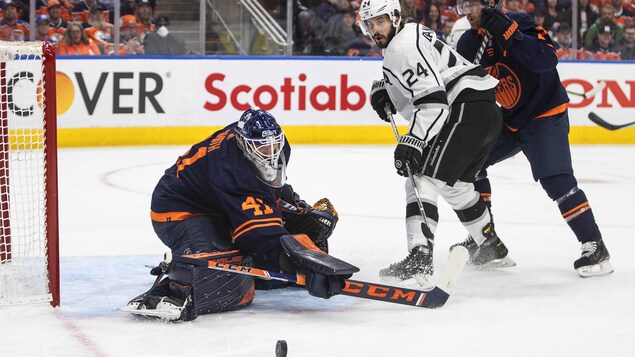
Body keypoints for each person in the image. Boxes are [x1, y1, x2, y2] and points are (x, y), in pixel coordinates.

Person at [124, 108, 356, 321]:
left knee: (302, 225)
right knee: (227, 274)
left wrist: (288, 207)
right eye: (263, 148)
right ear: (245, 145)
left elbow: (267, 190)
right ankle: (175, 288)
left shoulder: (268, 147)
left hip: (220, 200)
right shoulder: (229, 170)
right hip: (179, 211)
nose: (272, 152)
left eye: (274, 145)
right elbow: (258, 234)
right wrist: (303, 266)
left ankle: (254, 259)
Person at [358, 0, 513, 284]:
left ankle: (420, 256)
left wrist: (413, 141)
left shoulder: (401, 48)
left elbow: (433, 103)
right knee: (456, 186)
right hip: (485, 110)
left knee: (420, 178)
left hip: (464, 108)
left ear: (394, 18)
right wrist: (388, 93)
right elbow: (425, 84)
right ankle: (490, 245)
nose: (375, 29)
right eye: (370, 24)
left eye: (380, 21)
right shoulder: (412, 32)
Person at [455, 0, 613, 277]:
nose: (466, 12)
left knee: (557, 181)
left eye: (472, 5)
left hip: (544, 113)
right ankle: (486, 240)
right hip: (509, 118)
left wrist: (511, 34)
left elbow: (545, 60)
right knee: (469, 162)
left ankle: (594, 245)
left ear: (490, 5)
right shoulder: (469, 43)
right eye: (462, 5)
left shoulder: (522, 23)